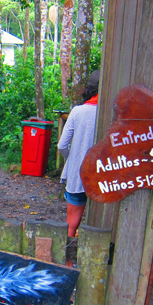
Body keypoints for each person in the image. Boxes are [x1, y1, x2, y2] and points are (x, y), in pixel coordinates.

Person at [58, 70, 99, 237]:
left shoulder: (77, 111)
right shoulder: (111, 113)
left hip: (78, 175)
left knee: (71, 225)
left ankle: (67, 261)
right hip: (103, 176)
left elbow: (62, 145)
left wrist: (71, 161)